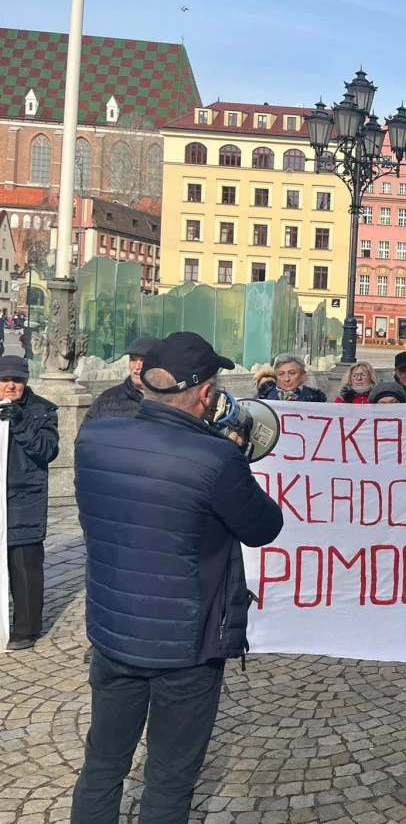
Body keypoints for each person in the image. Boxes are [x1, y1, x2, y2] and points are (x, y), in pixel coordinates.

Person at [71, 332, 284, 822]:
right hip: (186, 647)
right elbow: (263, 527)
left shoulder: (95, 436)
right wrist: (232, 456)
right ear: (207, 393)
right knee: (168, 779)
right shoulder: (216, 458)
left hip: (112, 631)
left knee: (102, 763)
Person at [2, 356, 59, 651]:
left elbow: (47, 451)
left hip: (24, 500)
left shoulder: (43, 411)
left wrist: (20, 423)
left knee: (25, 568)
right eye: (5, 380)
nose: (11, 385)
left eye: (18, 380)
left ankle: (26, 629)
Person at [83, 336, 160, 423]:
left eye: (143, 360)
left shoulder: (172, 400)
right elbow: (87, 434)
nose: (137, 367)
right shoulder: (106, 400)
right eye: (133, 360)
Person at [257, 354, 327, 402]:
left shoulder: (315, 400)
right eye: (281, 374)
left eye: (292, 373)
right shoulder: (262, 398)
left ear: (303, 375)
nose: (287, 379)